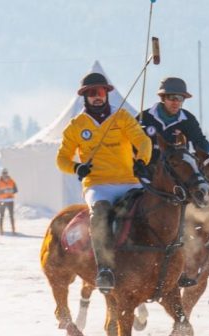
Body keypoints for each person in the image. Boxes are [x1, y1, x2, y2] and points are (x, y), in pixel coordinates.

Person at [56, 71, 153, 292]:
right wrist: (76, 167)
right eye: (91, 93)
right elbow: (61, 159)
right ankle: (105, 270)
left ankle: (172, 258)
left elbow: (143, 141)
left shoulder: (122, 117)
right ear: (85, 97)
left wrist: (141, 160)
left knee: (156, 209)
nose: (96, 96)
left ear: (106, 94)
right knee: (100, 214)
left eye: (100, 92)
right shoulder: (77, 125)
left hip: (130, 181)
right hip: (98, 186)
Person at [137, 77, 209, 157]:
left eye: (180, 98)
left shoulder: (188, 119)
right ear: (163, 98)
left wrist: (196, 158)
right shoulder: (144, 117)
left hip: (175, 167)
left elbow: (201, 143)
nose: (176, 102)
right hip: (145, 165)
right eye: (171, 97)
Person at [0, 168, 19, 235]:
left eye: (5, 173)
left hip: (10, 200)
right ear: (2, 174)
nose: (5, 175)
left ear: (7, 174)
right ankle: (1, 230)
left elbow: (16, 190)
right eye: (3, 173)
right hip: (2, 201)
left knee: (11, 216)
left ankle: (13, 230)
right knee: (2, 216)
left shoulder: (12, 181)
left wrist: (12, 191)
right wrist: (3, 191)